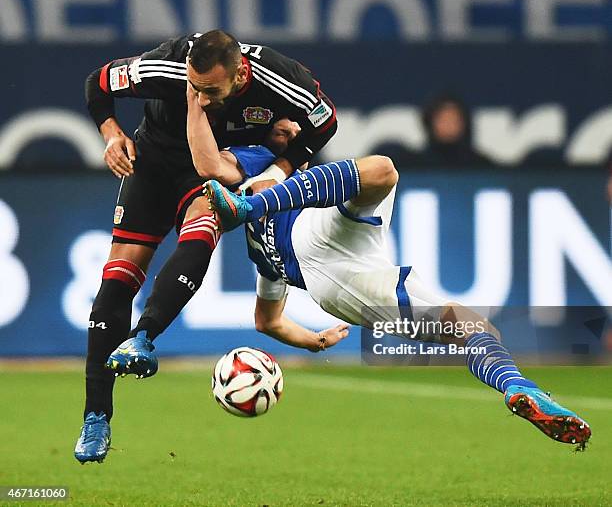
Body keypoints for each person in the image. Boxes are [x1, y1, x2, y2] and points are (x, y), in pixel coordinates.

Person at [201, 128, 591, 451]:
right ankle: (516, 384)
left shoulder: (260, 256)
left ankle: (518, 388)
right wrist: (279, 165)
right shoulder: (262, 171)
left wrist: (313, 342)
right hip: (319, 235)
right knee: (382, 170)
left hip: (333, 294)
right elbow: (279, 166)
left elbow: (266, 321)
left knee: (472, 329)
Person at [75, 29, 337, 463]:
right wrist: (111, 133)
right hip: (153, 162)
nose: (200, 97)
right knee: (116, 283)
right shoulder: (168, 67)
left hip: (211, 168)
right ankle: (96, 417)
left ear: (239, 74)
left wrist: (284, 165)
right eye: (193, 88)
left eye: (211, 91)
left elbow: (325, 121)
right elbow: (97, 83)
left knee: (203, 227)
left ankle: (143, 338)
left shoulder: (279, 77)